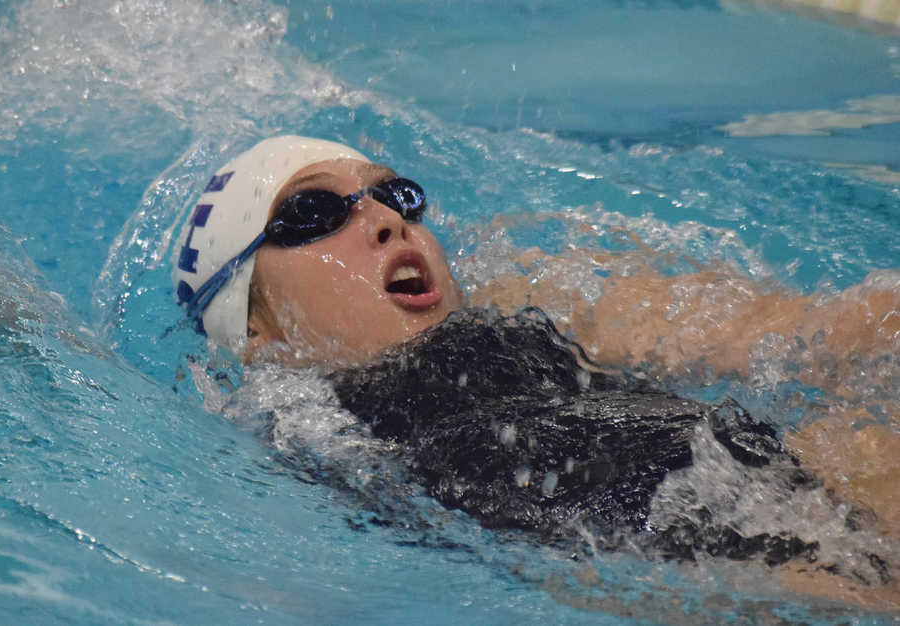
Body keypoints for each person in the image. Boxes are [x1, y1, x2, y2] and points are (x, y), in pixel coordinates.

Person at [172, 136, 900, 607]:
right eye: (315, 214)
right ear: (258, 330)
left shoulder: (538, 299)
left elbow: (799, 333)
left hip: (762, 470)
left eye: (397, 197)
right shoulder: (297, 428)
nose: (389, 223)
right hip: (690, 562)